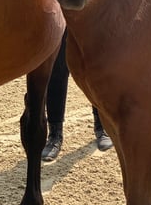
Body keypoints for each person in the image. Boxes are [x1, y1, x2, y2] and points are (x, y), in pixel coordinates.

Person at [42, 32, 113, 161]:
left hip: (88, 18)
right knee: (57, 70)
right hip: (63, 19)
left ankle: (102, 125)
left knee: (94, 67)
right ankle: (54, 135)